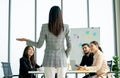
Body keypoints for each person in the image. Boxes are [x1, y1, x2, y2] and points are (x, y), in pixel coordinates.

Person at [16, 6, 71, 78]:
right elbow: (70, 46)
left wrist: (26, 40)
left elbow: (39, 45)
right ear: (60, 15)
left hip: (48, 59)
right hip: (62, 59)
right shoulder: (66, 27)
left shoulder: (45, 27)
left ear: (50, 15)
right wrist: (64, 55)